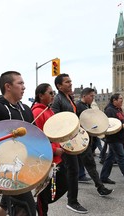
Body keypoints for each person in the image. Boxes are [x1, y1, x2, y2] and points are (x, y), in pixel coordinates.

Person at [0, 71, 36, 216]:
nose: (24, 87)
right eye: (20, 83)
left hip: (24, 166)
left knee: (6, 204)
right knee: (27, 208)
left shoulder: (25, 109)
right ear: (8, 86)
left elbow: (34, 135)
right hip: (5, 169)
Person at [51, 73, 88, 214]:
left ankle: (62, 195)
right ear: (59, 86)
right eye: (67, 82)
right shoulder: (57, 100)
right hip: (64, 141)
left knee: (72, 170)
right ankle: (72, 201)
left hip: (72, 139)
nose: (70, 83)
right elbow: (55, 121)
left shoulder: (69, 98)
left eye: (70, 81)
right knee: (72, 170)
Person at [31, 83, 68, 216]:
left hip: (56, 158)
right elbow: (37, 138)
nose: (53, 96)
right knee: (44, 194)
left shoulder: (49, 110)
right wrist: (53, 149)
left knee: (64, 184)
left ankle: (37, 206)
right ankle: (41, 210)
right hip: (46, 158)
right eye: (51, 93)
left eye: (54, 93)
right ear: (41, 96)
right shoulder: (37, 112)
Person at [75, 87, 113, 196]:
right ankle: (100, 187)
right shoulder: (79, 107)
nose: (93, 98)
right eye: (91, 96)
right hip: (81, 140)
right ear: (84, 96)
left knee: (81, 165)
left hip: (87, 140)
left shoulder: (87, 106)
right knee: (90, 164)